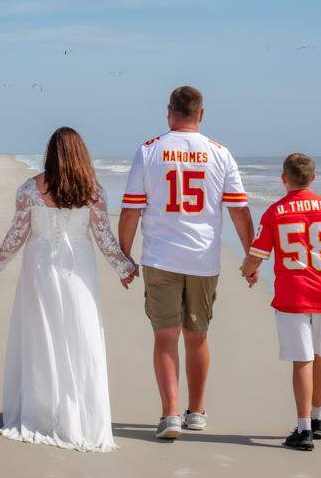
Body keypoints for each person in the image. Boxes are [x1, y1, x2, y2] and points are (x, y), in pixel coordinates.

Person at [0, 127, 138, 452]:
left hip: (39, 268)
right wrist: (124, 267)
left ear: (50, 154)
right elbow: (103, 236)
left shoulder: (29, 190)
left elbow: (16, 236)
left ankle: (42, 410)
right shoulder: (93, 191)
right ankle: (78, 412)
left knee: (41, 336)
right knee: (78, 335)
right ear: (81, 154)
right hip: (77, 269)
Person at [117, 86, 256, 440]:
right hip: (203, 259)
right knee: (198, 337)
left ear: (169, 112)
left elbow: (132, 208)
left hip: (161, 258)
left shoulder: (149, 151)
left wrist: (123, 257)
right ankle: (196, 411)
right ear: (201, 114)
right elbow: (239, 210)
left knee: (165, 338)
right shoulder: (220, 153)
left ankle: (171, 415)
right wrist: (251, 256)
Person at [239, 153, 321, 451]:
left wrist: (248, 271)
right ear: (313, 178)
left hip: (293, 297)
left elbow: (257, 255)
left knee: (302, 359)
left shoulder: (276, 212)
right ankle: (318, 419)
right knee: (320, 355)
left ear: (284, 178)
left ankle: (303, 428)